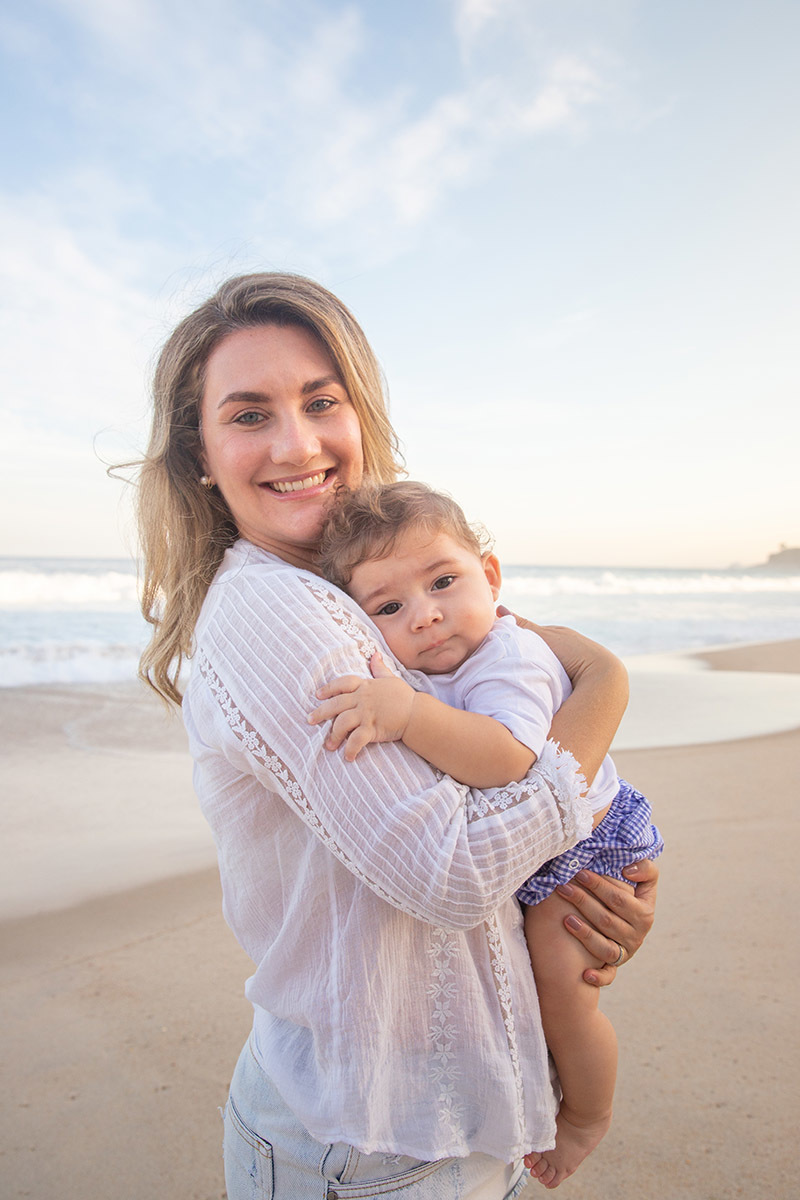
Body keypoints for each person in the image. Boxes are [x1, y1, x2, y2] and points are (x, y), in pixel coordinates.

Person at [135, 271, 659, 1199]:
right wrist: (604, 690)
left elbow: (507, 705)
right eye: (249, 415)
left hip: (451, 1112)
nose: (297, 444)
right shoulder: (278, 611)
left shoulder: (370, 586)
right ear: (200, 455)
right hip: (373, 1144)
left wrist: (576, 906)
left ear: (360, 413)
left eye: (321, 401)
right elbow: (452, 873)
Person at [312, 480, 664, 1188]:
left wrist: (408, 714)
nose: (426, 615)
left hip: (589, 846)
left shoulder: (510, 656)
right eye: (389, 607)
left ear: (491, 576)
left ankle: (587, 1115)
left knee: (565, 989)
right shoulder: (424, 665)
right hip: (548, 841)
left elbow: (510, 761)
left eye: (444, 581)